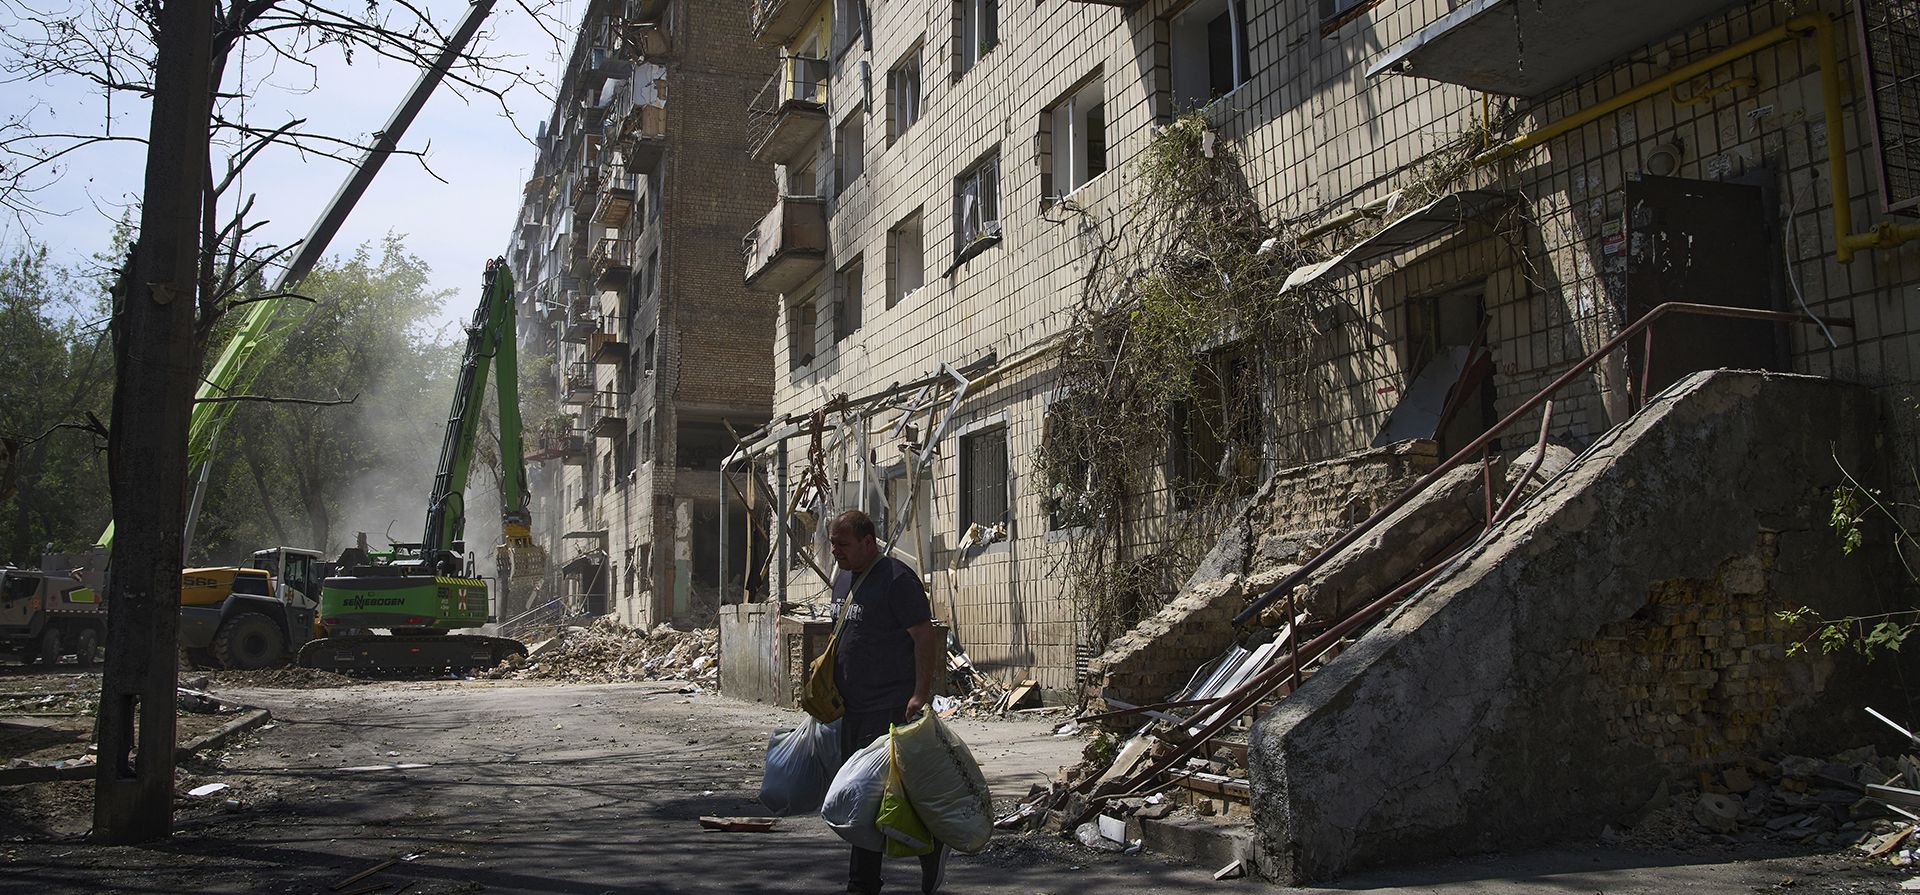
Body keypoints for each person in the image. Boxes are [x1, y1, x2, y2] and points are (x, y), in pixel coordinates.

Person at [827, 509, 946, 895]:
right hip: (851, 710)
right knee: (874, 796)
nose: (836, 552)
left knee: (867, 795)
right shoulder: (844, 580)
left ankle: (862, 883)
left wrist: (919, 694)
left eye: (842, 545)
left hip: (888, 707)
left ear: (868, 542)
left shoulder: (896, 580)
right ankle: (930, 844)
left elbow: (924, 637)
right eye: (832, 545)